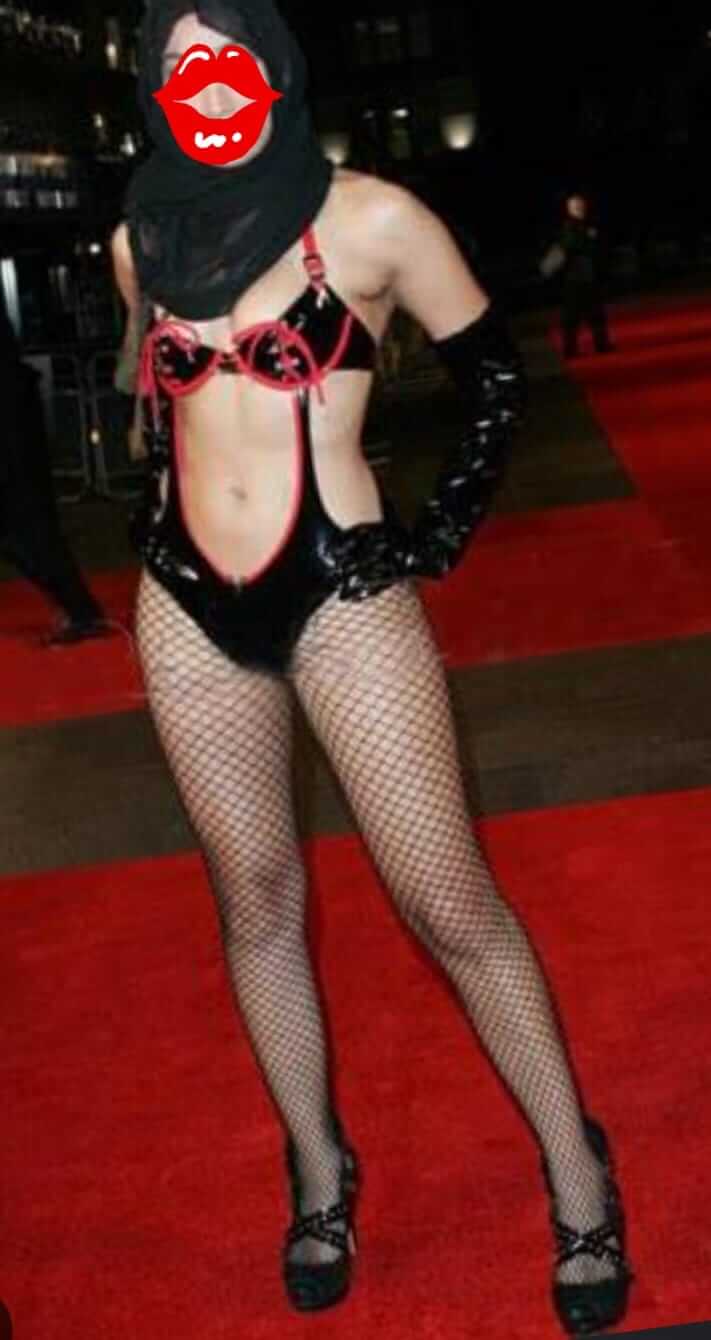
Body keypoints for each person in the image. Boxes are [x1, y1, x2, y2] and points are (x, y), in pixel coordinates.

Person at [114, 2, 633, 1332]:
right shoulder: (138, 238)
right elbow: (146, 406)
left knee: (445, 897)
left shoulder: (373, 221)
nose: (203, 84)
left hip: (343, 594)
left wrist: (430, 535)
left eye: (223, 56)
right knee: (254, 898)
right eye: (177, 64)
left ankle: (577, 1171)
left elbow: (493, 381)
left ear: (273, 63)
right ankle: (317, 1168)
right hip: (185, 602)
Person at [0, 305, 112, 646]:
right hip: (13, 410)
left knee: (24, 525)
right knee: (25, 523)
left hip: (9, 417)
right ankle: (79, 608)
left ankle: (81, 610)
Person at [540, 193, 614, 359]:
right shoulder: (569, 228)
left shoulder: (585, 226)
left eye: (581, 206)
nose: (580, 209)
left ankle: (600, 344)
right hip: (574, 280)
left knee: (594, 314)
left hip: (587, 277)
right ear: (569, 209)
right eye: (576, 206)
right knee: (573, 316)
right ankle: (572, 349)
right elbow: (568, 249)